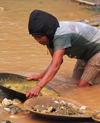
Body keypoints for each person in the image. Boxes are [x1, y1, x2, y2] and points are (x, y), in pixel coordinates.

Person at [26, 9, 100, 98]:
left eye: (39, 37)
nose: (38, 40)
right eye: (34, 37)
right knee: (74, 81)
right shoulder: (49, 35)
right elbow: (57, 62)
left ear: (47, 32)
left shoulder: (61, 35)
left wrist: (38, 86)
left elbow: (56, 66)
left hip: (98, 50)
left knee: (81, 88)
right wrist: (40, 76)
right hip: (86, 53)